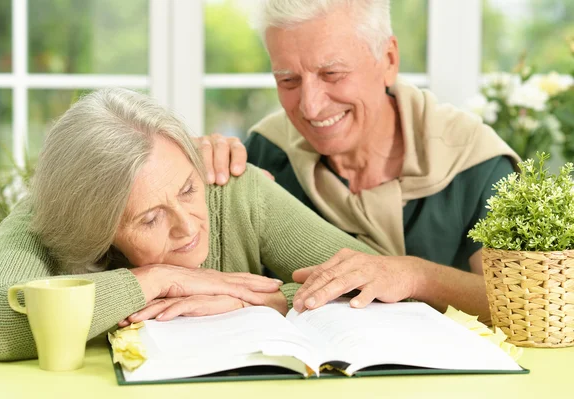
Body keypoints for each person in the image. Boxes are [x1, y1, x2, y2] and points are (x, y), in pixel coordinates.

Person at [0, 88, 377, 361]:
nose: (188, 226)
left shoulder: (235, 191)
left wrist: (260, 301)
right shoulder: (42, 219)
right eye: (150, 218)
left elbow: (379, 281)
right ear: (95, 228)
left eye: (187, 189)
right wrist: (156, 280)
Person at [198, 0, 520, 323]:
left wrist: (415, 275)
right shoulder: (265, 152)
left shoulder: (475, 163)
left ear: (389, 61)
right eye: (288, 81)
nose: (310, 107)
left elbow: (521, 302)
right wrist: (191, 175)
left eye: (332, 74)